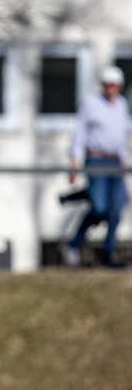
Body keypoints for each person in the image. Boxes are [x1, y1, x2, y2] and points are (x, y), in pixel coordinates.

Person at [63, 65, 130, 268]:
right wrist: (74, 164)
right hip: (96, 160)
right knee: (100, 208)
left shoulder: (122, 105)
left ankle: (107, 253)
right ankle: (73, 243)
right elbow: (80, 133)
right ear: (103, 86)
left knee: (116, 209)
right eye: (108, 85)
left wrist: (124, 164)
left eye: (115, 86)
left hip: (115, 162)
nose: (111, 89)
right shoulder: (90, 103)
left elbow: (121, 136)